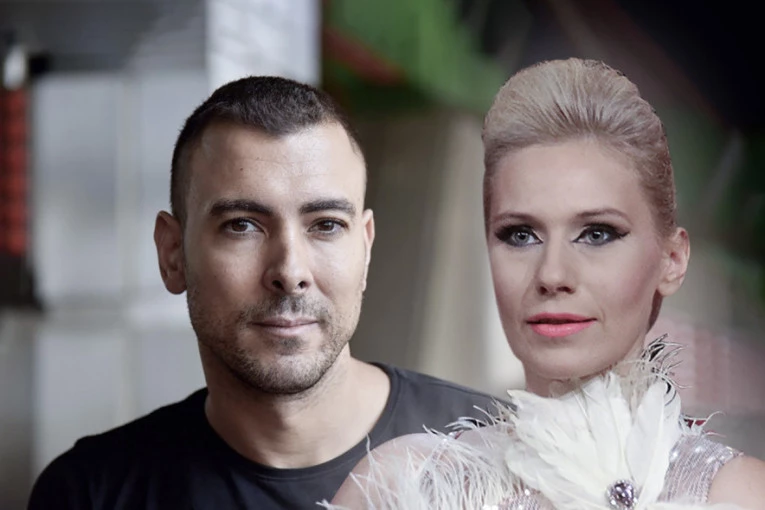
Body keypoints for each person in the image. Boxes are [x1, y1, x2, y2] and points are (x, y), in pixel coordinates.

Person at [26, 76, 499, 509]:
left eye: (326, 225)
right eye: (242, 226)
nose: (290, 272)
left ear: (365, 248)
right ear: (172, 255)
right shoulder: (90, 494)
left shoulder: (497, 452)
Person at [327, 59, 765, 509]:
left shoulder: (742, 495)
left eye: (597, 234)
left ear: (672, 260)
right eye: (520, 235)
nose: (552, 275)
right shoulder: (399, 487)